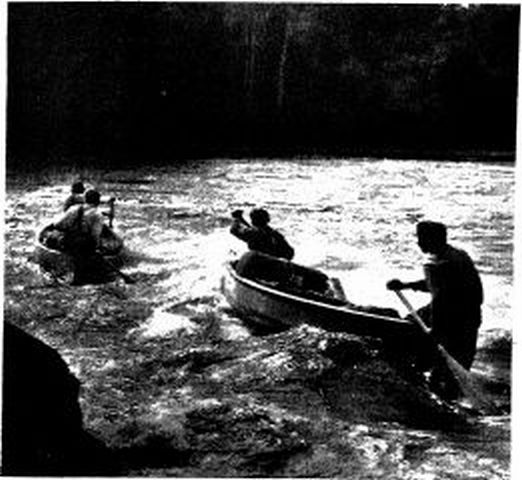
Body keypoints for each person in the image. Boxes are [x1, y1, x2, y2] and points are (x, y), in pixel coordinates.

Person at [386, 221, 483, 397]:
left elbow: (440, 300)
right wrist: (406, 285)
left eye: (421, 238)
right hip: (471, 316)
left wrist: (436, 330)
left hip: (453, 321)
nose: (418, 243)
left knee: (441, 375)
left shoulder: (436, 264)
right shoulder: (458, 255)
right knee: (456, 370)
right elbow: (441, 286)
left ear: (432, 239)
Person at [52, 189, 109, 285]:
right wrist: (98, 248)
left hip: (68, 242)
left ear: (85, 199)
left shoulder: (74, 209)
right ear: (98, 202)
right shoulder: (97, 215)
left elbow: (58, 224)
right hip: (84, 246)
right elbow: (95, 235)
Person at [230, 208, 295, 260]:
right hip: (273, 264)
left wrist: (236, 219)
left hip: (260, 264)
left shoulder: (253, 233)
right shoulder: (274, 233)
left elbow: (234, 230)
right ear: (267, 220)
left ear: (253, 221)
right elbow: (290, 253)